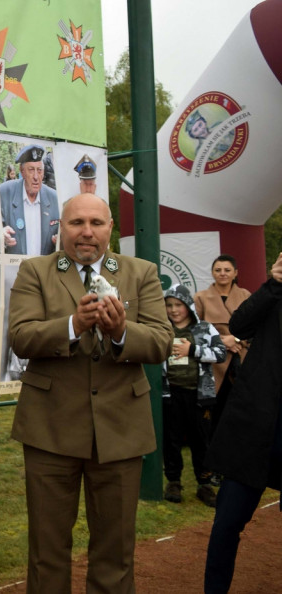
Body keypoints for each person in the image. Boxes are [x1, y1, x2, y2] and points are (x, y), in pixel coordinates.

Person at [8, 193, 172, 593]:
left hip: (119, 430)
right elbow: (21, 337)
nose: (86, 232)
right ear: (60, 227)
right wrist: (72, 324)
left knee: (114, 552)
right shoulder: (35, 271)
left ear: (110, 228)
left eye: (96, 223)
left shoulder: (140, 272)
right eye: (76, 222)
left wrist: (121, 333)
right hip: (50, 429)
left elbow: (162, 342)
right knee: (47, 550)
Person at [203, 252, 282, 593]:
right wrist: (274, 283)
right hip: (252, 428)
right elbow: (238, 326)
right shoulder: (273, 293)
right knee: (226, 524)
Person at [161, 284, 226, 506]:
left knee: (202, 440)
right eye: (169, 305)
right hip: (170, 394)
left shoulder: (205, 328)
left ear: (188, 305)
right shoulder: (161, 329)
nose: (173, 310)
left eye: (178, 304)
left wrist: (193, 351)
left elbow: (220, 353)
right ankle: (173, 482)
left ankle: (205, 484)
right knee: (172, 440)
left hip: (200, 396)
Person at [194, 255, 251, 398]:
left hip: (242, 357)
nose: (222, 273)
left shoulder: (245, 295)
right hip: (214, 360)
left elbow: (255, 328)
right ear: (212, 273)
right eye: (218, 270)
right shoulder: (200, 297)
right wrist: (221, 341)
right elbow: (193, 329)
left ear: (235, 273)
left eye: (227, 270)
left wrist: (236, 339)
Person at [0, 144, 60, 256]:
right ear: (22, 171)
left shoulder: (54, 199)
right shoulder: (4, 192)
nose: (36, 177)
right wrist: (1, 233)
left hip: (43, 270)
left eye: (40, 170)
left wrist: (60, 240)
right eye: (31, 170)